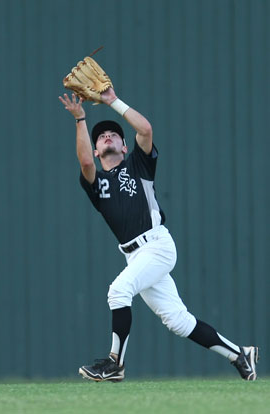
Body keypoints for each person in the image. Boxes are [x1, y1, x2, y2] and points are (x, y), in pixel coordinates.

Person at [58, 88, 259, 382]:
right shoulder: (97, 184)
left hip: (157, 245)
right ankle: (240, 354)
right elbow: (86, 163)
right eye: (101, 137)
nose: (108, 137)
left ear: (125, 147)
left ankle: (116, 363)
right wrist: (80, 120)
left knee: (118, 291)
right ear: (97, 149)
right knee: (178, 321)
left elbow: (146, 129)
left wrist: (112, 101)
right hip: (135, 255)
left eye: (114, 135)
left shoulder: (138, 165)